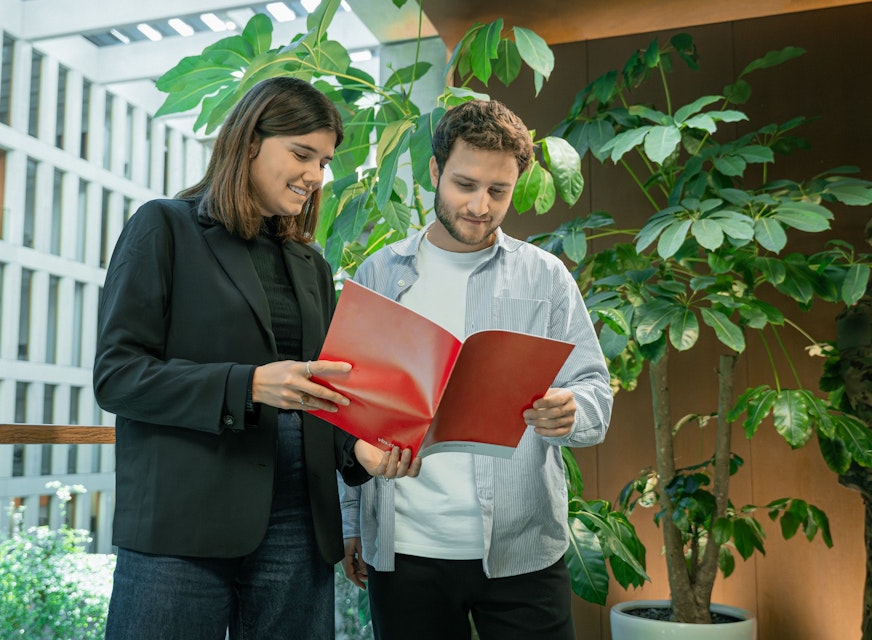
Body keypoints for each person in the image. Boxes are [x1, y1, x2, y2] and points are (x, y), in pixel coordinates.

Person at [93, 76, 419, 640]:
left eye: (324, 161)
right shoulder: (163, 227)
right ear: (247, 142)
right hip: (183, 526)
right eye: (301, 154)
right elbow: (117, 376)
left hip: (298, 525)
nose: (316, 176)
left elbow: (320, 393)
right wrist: (248, 386)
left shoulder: (310, 264)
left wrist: (358, 449)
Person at [339, 99, 613, 640]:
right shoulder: (379, 273)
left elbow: (594, 389)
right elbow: (348, 412)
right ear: (436, 171)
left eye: (498, 191)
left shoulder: (547, 277)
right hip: (406, 551)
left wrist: (573, 410)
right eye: (465, 185)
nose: (480, 206)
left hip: (524, 550)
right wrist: (350, 522)